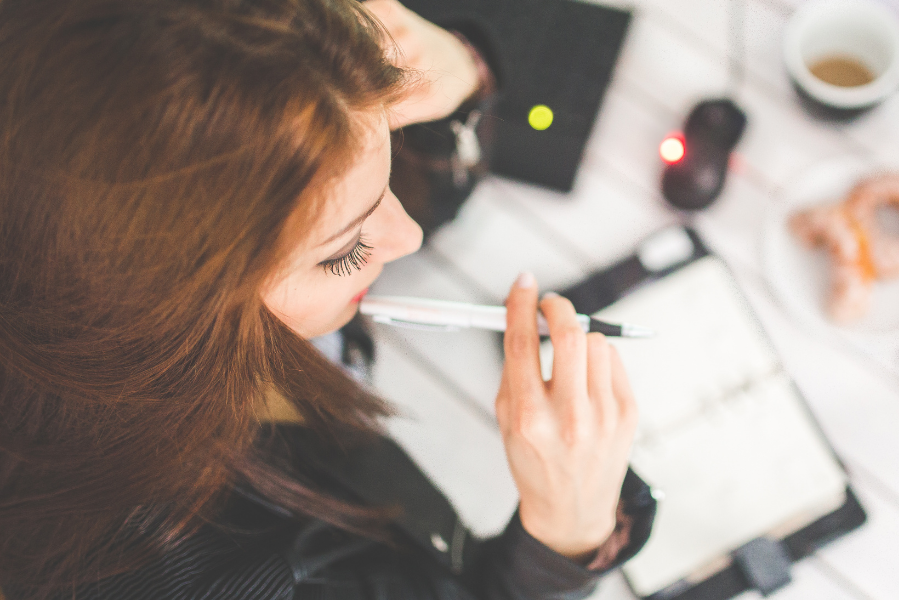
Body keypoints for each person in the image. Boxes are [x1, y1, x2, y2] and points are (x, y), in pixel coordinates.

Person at [0, 0, 654, 598]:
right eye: (342, 251)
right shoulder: (237, 575)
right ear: (174, 308)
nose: (408, 236)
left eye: (386, 156)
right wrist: (565, 537)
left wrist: (461, 72)